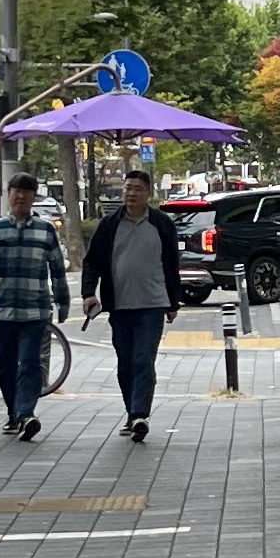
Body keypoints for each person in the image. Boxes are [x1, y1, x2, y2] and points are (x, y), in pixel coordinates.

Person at [0, 169, 69, 441]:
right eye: (16, 191)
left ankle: (25, 414)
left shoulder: (45, 230)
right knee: (6, 366)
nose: (20, 196)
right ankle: (14, 413)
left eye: (26, 192)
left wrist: (63, 302)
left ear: (33, 197)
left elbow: (57, 269)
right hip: (3, 310)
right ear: (8, 195)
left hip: (36, 311)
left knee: (30, 363)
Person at [80, 163, 177, 443]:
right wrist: (88, 293)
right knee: (125, 363)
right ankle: (131, 412)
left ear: (148, 193)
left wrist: (173, 302)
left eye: (137, 189)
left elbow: (171, 263)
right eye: (127, 189)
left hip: (153, 304)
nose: (131, 194)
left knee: (143, 360)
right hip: (119, 305)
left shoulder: (161, 224)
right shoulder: (110, 224)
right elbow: (92, 261)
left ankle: (139, 415)